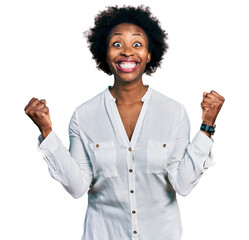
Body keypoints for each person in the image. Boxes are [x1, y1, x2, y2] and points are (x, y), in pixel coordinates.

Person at [24, 5, 225, 240]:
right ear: (105, 54)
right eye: (117, 44)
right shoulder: (84, 116)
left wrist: (207, 125)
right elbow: (77, 187)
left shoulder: (173, 113)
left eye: (137, 44)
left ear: (149, 54)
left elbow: (183, 184)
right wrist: (46, 131)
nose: (127, 52)